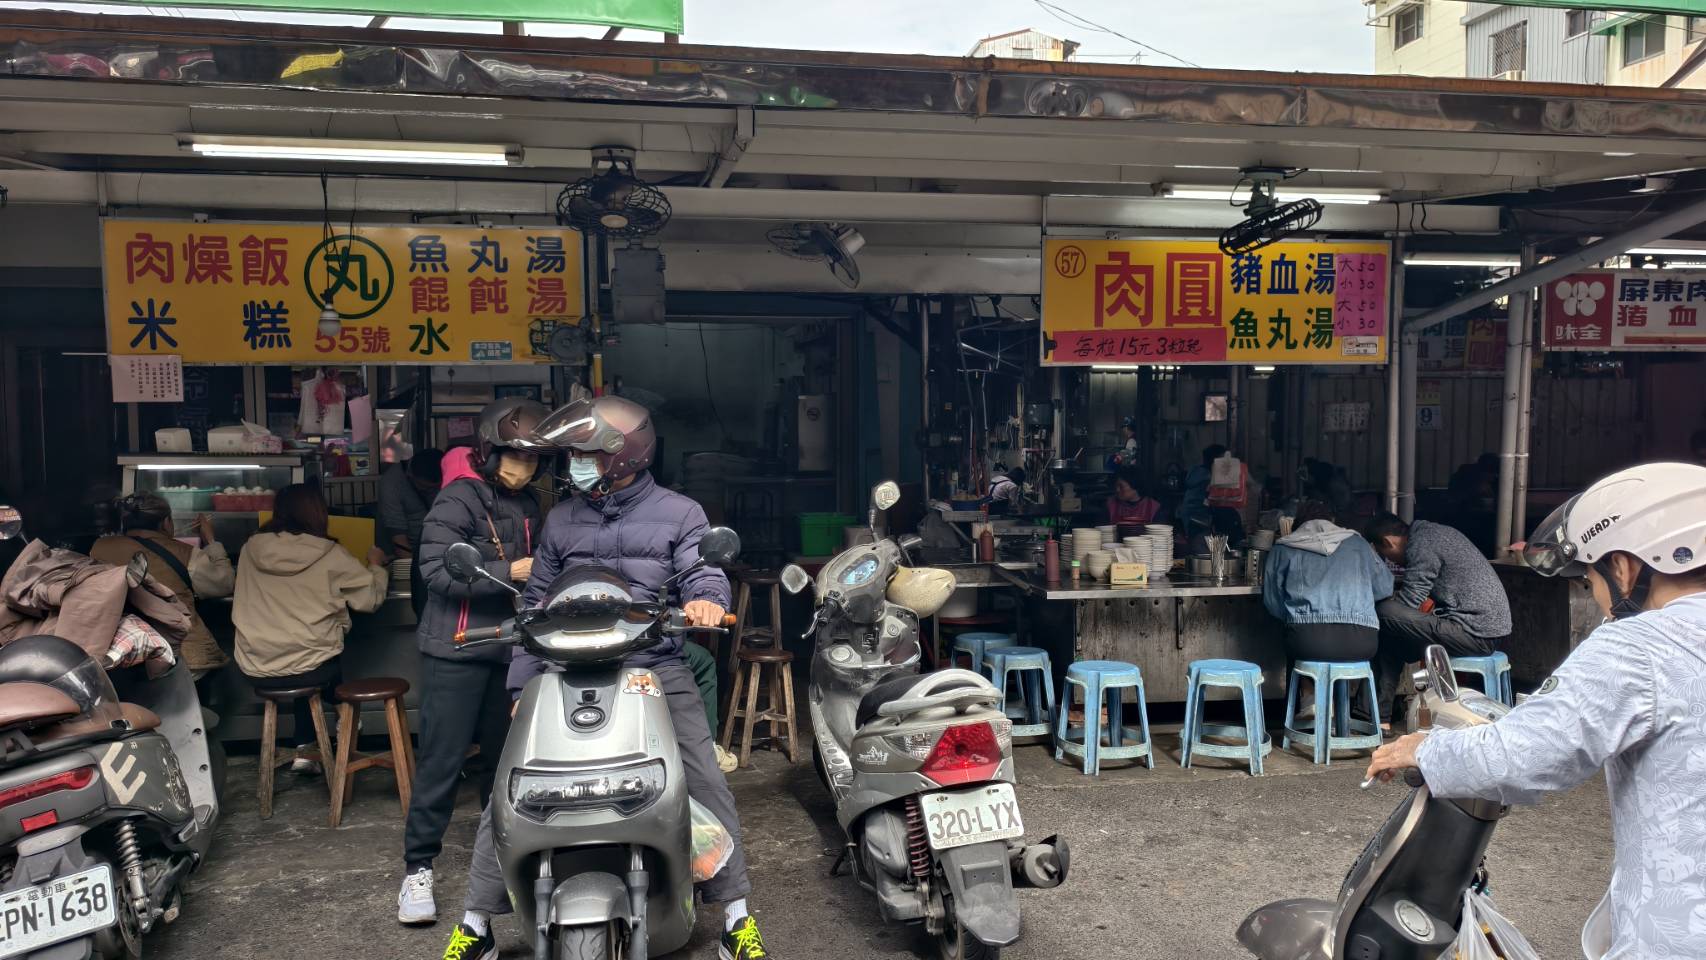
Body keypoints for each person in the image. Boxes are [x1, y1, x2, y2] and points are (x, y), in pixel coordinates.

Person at [440, 395, 777, 960]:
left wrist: (703, 601)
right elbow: (535, 602)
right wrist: (522, 687)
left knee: (702, 778)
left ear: (623, 456)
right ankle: (476, 923)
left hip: (653, 665)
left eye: (583, 453)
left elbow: (704, 571)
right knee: (511, 784)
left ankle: (737, 917)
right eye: (572, 454)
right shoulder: (563, 519)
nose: (573, 463)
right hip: (564, 666)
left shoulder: (680, 513)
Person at [1366, 462, 1706, 958]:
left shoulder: (1643, 646)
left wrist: (1423, 749)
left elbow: (1528, 755)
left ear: (1626, 566)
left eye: (1592, 578)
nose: (1598, 595)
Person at [398, 399, 547, 926]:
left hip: (510, 651)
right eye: (512, 456)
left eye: (531, 460)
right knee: (441, 762)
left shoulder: (531, 504)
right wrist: (512, 568)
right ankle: (418, 869)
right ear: (488, 450)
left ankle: (501, 865)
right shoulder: (457, 498)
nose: (521, 467)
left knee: (503, 767)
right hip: (456, 649)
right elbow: (437, 570)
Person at [232, 484, 389, 771]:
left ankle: (305, 746)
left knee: (304, 653)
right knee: (315, 656)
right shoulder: (330, 552)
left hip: (256, 666)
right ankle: (346, 718)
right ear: (319, 512)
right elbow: (369, 600)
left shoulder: (249, 548)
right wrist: (376, 565)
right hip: (312, 665)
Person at [1363, 512, 1511, 721]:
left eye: (1385, 554)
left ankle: (1377, 714)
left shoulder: (1421, 544)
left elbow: (1410, 601)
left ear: (1388, 542)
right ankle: (1380, 717)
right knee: (1390, 636)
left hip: (1474, 632)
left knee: (1383, 612)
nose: (1391, 560)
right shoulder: (1433, 533)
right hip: (1481, 630)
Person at [90, 492, 235, 673]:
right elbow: (225, 584)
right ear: (166, 522)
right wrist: (211, 541)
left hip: (118, 651)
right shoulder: (186, 554)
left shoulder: (100, 547)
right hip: (181, 655)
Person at [1263, 501, 1392, 665]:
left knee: (1291, 638)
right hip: (1362, 642)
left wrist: (1296, 615)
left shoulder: (1282, 548)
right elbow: (1385, 588)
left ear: (1297, 526)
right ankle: (1347, 690)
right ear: (1332, 521)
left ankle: (1306, 689)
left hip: (1306, 642)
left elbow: (1272, 602)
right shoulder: (1359, 543)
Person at [378, 448, 444, 621]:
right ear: (410, 475)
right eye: (424, 487)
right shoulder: (391, 484)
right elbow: (398, 537)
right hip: (410, 554)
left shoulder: (447, 479)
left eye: (434, 488)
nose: (429, 491)